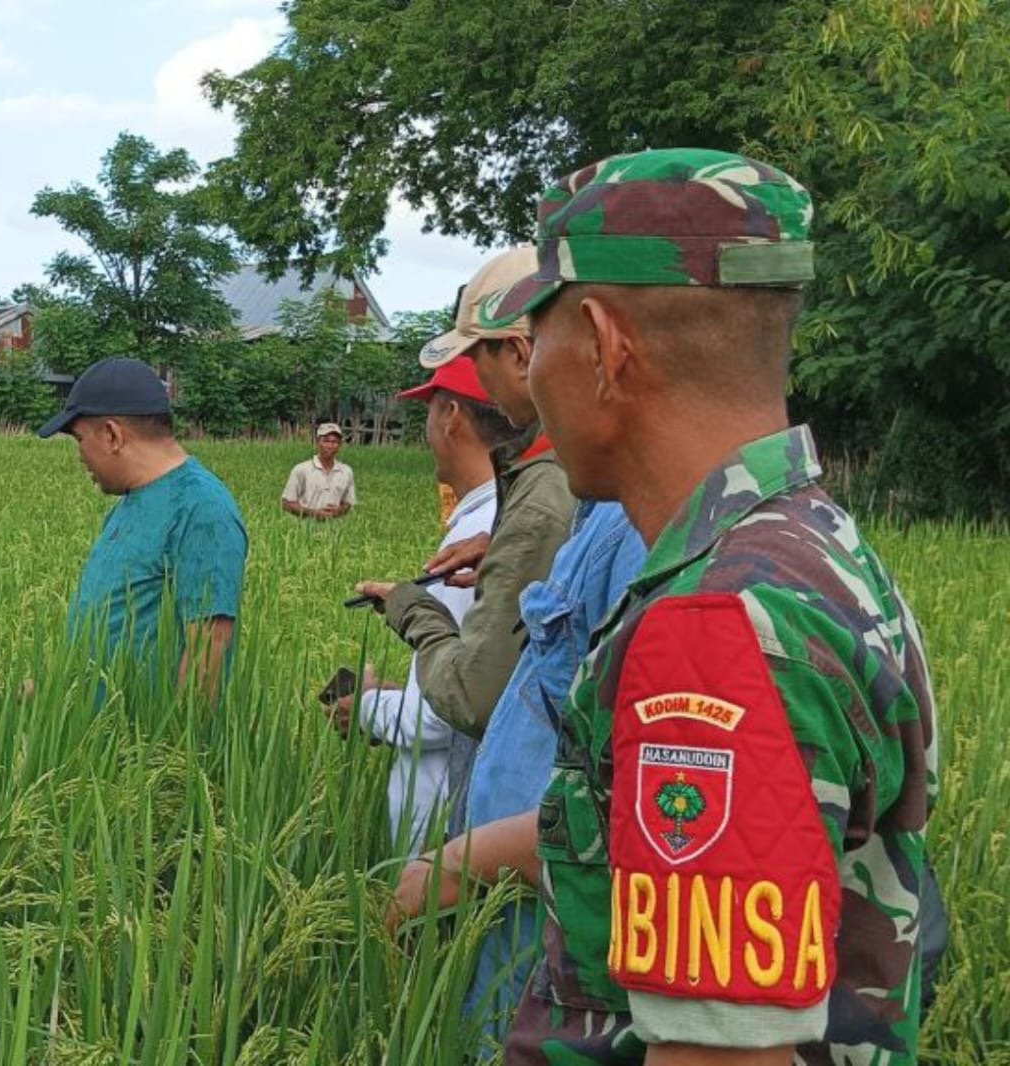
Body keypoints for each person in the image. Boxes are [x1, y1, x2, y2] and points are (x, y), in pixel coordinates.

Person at [393, 148, 939, 1065]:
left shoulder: (720, 630)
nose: (530, 376)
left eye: (540, 335)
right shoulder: (810, 544)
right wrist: (452, 863)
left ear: (603, 346)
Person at [387, 256, 650, 1050]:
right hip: (518, 920)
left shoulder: (651, 529)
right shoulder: (595, 507)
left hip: (556, 953)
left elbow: (646, 814)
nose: (485, 387)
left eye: (488, 358)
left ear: (531, 351)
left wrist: (460, 863)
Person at [355, 247, 577, 825]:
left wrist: (411, 610)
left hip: (485, 821)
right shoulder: (543, 492)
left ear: (519, 354)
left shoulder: (541, 501)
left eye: (480, 358)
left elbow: (466, 698)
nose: (483, 379)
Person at [328, 356, 518, 854]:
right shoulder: (504, 520)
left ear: (451, 416)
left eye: (429, 411)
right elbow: (481, 678)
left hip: (444, 831)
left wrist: (366, 708)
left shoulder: (479, 535)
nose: (426, 429)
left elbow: (444, 715)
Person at [39, 357, 248, 704]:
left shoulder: (202, 510)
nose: (80, 456)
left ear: (112, 435)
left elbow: (207, 655)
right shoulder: (130, 504)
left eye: (79, 439)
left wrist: (171, 741)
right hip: (87, 729)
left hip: (139, 735)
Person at [282, 423, 356, 521]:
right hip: (304, 526)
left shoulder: (346, 472)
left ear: (340, 445)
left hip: (335, 527)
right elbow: (287, 504)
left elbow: (348, 503)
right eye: (326, 441)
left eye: (334, 442)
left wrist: (338, 511)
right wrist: (313, 513)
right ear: (317, 442)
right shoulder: (301, 469)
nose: (330, 445)